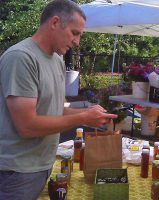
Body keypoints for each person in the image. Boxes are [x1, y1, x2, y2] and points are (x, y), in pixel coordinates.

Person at [0, 1, 117, 199]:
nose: (77, 41)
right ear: (55, 22)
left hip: (43, 164)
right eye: (75, 32)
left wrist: (88, 114)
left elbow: (55, 109)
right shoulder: (21, 57)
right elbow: (27, 126)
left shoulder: (56, 59)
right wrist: (83, 118)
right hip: (17, 171)